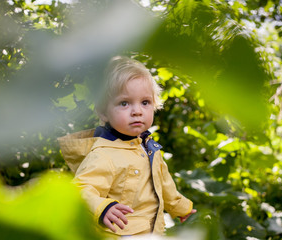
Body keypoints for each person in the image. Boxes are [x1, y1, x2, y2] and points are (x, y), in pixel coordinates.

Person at [58, 56, 196, 236]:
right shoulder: (104, 154)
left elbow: (164, 184)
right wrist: (103, 208)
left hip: (151, 232)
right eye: (124, 103)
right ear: (103, 112)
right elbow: (80, 189)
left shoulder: (148, 147)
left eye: (145, 102)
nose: (137, 111)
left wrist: (182, 208)